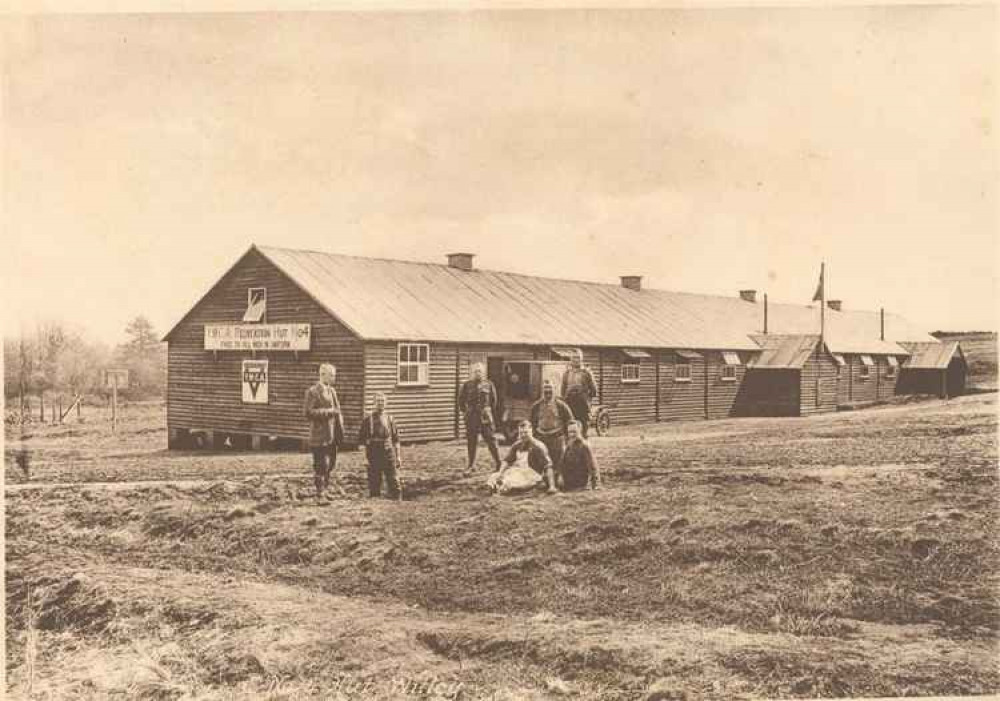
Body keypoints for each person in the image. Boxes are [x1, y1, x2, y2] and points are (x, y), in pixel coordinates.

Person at [303, 363, 345, 503]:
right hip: (319, 436)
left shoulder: (332, 391)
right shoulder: (313, 391)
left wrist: (341, 430)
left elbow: (338, 411)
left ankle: (326, 490)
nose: (334, 377)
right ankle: (320, 495)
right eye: (332, 375)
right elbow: (308, 412)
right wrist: (329, 412)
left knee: (331, 464)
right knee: (321, 465)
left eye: (334, 375)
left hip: (332, 435)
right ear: (322, 374)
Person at [357, 392, 403, 501]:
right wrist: (364, 458)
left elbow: (396, 440)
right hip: (374, 453)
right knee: (374, 481)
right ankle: (375, 505)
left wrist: (398, 456)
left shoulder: (390, 419)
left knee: (394, 480)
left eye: (382, 401)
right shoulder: (368, 420)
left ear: (386, 403)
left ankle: (398, 501)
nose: (380, 404)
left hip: (389, 452)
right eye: (378, 401)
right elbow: (361, 441)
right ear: (374, 403)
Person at [457, 363, 501, 473]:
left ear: (483, 372)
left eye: (480, 371)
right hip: (471, 417)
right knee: (471, 441)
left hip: (485, 416)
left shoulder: (489, 384)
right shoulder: (467, 385)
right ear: (472, 373)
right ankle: (471, 465)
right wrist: (466, 412)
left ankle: (498, 463)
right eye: (476, 371)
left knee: (491, 439)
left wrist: (487, 411)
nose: (478, 373)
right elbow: (461, 401)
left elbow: (494, 402)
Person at [496, 420, 557, 494]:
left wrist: (552, 486)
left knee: (512, 483)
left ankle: (512, 488)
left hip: (532, 474)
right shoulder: (517, 445)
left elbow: (548, 466)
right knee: (495, 476)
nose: (523, 435)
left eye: (526, 432)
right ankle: (493, 487)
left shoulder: (538, 446)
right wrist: (500, 473)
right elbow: (507, 460)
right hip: (518, 471)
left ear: (531, 432)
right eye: (521, 433)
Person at [529, 380, 574, 479]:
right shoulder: (536, 406)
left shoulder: (561, 405)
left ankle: (558, 476)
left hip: (557, 437)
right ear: (542, 392)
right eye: (546, 392)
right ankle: (541, 477)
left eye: (550, 392)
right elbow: (531, 423)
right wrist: (533, 438)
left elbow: (571, 421)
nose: (548, 394)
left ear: (554, 392)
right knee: (537, 457)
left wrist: (569, 438)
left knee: (559, 460)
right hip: (541, 437)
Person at [560, 350, 599, 438]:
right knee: (569, 431)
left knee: (583, 432)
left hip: (582, 407)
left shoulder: (586, 373)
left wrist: (585, 398)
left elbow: (594, 391)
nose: (575, 360)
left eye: (577, 357)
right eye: (573, 357)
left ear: (581, 359)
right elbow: (562, 391)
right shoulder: (567, 373)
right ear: (570, 359)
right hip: (569, 405)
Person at [560, 420, 602, 491]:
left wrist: (596, 485)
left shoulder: (584, 446)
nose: (572, 434)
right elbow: (562, 464)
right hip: (568, 482)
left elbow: (593, 467)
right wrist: (560, 476)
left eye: (574, 432)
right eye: (570, 432)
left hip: (580, 483)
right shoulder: (569, 445)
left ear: (580, 431)